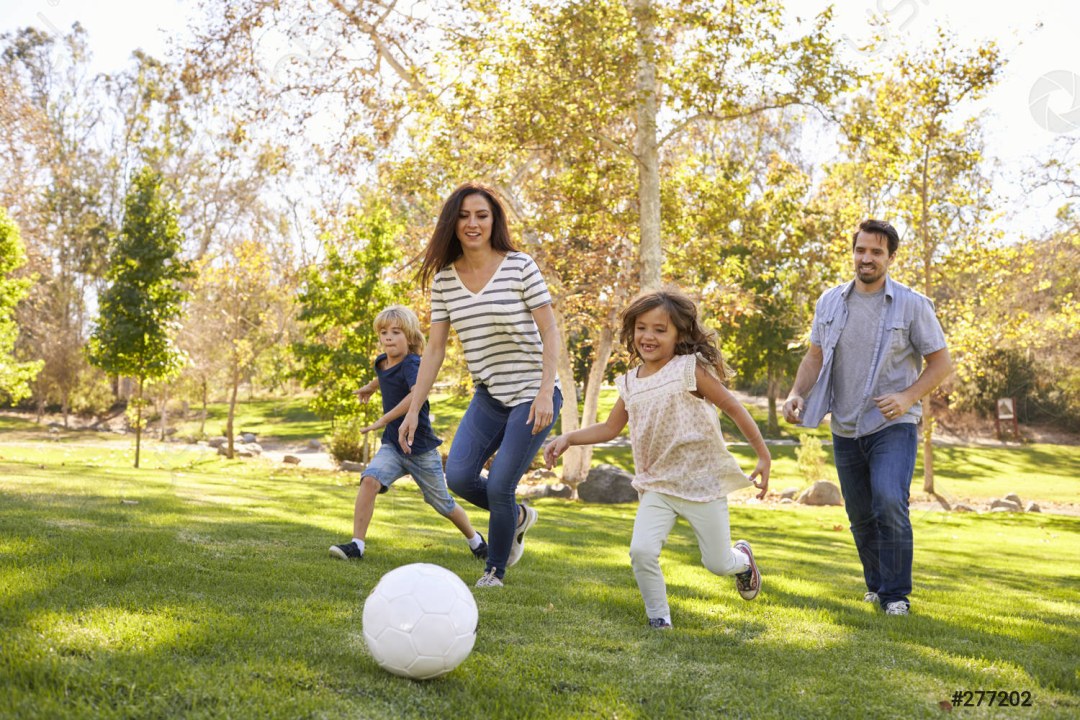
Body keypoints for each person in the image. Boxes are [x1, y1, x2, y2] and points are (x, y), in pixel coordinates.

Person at [544, 289, 770, 630]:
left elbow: (733, 407)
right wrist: (568, 438)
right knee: (642, 552)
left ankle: (742, 562)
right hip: (657, 485)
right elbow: (609, 428)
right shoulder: (629, 384)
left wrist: (763, 454)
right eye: (641, 328)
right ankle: (658, 618)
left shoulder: (688, 369)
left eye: (660, 330)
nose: (648, 336)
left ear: (679, 333)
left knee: (717, 563)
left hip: (700, 483)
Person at [782, 219, 953, 617]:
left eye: (876, 252)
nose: (867, 258)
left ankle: (896, 595)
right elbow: (815, 356)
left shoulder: (913, 304)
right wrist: (795, 393)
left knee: (890, 501)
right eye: (861, 250)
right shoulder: (830, 302)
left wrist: (908, 395)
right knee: (859, 513)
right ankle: (876, 586)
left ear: (891, 257)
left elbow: (941, 363)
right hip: (844, 424)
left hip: (893, 424)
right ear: (853, 252)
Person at [398, 183, 563, 588]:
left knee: (503, 483)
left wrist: (546, 391)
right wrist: (414, 409)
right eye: (465, 216)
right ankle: (519, 517)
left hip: (532, 393)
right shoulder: (445, 282)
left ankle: (495, 570)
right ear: (452, 223)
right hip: (489, 396)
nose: (473, 223)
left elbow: (551, 331)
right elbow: (435, 350)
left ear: (494, 221)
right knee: (458, 476)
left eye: (482, 215)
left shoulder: (520, 266)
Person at [329, 305, 487, 562]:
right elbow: (384, 376)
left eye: (396, 332)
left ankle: (476, 541)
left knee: (442, 504)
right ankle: (356, 546)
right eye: (383, 332)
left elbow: (417, 393)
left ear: (411, 337)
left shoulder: (414, 364)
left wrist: (384, 419)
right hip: (393, 445)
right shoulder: (381, 361)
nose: (388, 337)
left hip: (420, 448)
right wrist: (370, 387)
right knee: (369, 480)